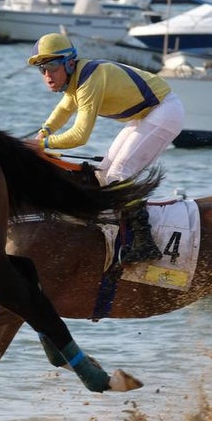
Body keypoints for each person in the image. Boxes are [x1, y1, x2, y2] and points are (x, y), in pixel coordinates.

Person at [27, 32, 185, 263]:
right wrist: (44, 132)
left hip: (164, 112)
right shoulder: (75, 80)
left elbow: (80, 136)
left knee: (121, 174)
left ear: (69, 62)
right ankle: (117, 233)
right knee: (104, 174)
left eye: (52, 66)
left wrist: (42, 144)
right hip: (145, 115)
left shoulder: (89, 81)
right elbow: (63, 110)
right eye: (42, 69)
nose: (48, 75)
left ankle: (145, 243)